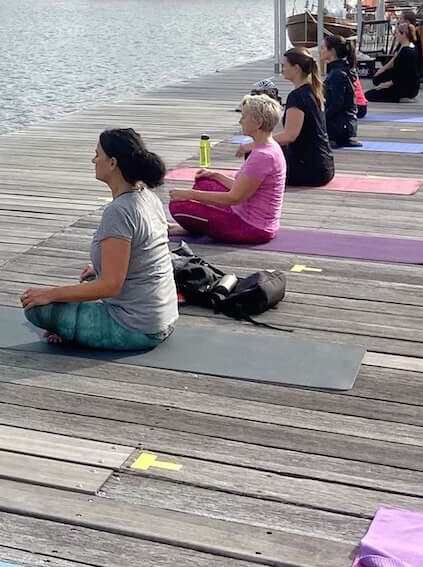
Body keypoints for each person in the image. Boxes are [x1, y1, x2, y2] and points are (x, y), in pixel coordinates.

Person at [19, 128, 176, 351]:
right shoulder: (147, 196)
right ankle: (72, 325)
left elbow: (111, 286)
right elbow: (146, 253)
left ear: (112, 163)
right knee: (87, 282)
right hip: (163, 317)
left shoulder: (119, 211)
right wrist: (98, 268)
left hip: (135, 328)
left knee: (36, 307)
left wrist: (50, 293)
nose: (93, 160)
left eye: (97, 154)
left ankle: (70, 329)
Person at [167, 94, 286, 244]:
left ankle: (193, 227)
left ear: (258, 123)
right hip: (250, 215)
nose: (240, 121)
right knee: (205, 181)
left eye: (244, 117)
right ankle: (193, 227)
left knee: (178, 204)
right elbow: (242, 189)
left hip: (251, 227)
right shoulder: (268, 146)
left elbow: (234, 198)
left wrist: (190, 195)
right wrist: (216, 176)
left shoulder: (263, 156)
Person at [243, 48, 334, 186]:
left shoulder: (297, 96)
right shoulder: (314, 90)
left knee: (254, 153)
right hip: (323, 164)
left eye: (285, 65)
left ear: (296, 68)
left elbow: (289, 136)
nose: (282, 69)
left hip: (311, 169)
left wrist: (253, 145)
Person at [366, 19, 422, 103]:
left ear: (404, 34)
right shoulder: (411, 46)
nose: (395, 36)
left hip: (406, 89)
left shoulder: (406, 52)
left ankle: (401, 98)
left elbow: (401, 75)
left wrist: (386, 84)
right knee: (377, 81)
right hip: (411, 86)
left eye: (397, 33)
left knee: (369, 95)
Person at [322, 34, 360, 148]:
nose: (320, 50)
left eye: (323, 47)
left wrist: (320, 119)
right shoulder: (340, 70)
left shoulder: (337, 74)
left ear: (332, 51)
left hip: (340, 126)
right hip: (344, 124)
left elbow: (337, 104)